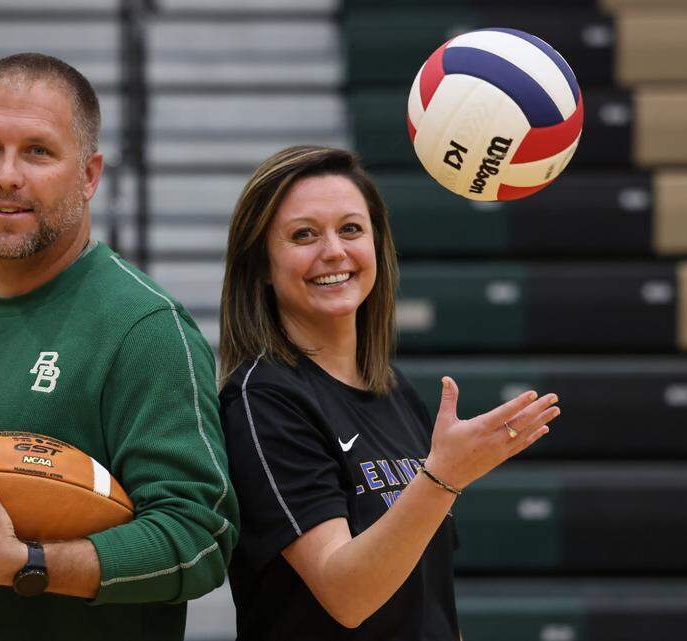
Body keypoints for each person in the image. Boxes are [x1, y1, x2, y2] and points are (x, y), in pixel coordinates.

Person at [0, 53, 238, 641]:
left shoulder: (144, 327)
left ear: (89, 175)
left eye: (37, 151)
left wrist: (25, 564)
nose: (6, 175)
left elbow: (199, 538)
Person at [217, 145, 561, 640]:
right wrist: (444, 475)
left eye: (351, 229)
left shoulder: (394, 390)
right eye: (303, 235)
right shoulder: (262, 400)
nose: (333, 251)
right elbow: (346, 595)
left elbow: (430, 593)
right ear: (263, 266)